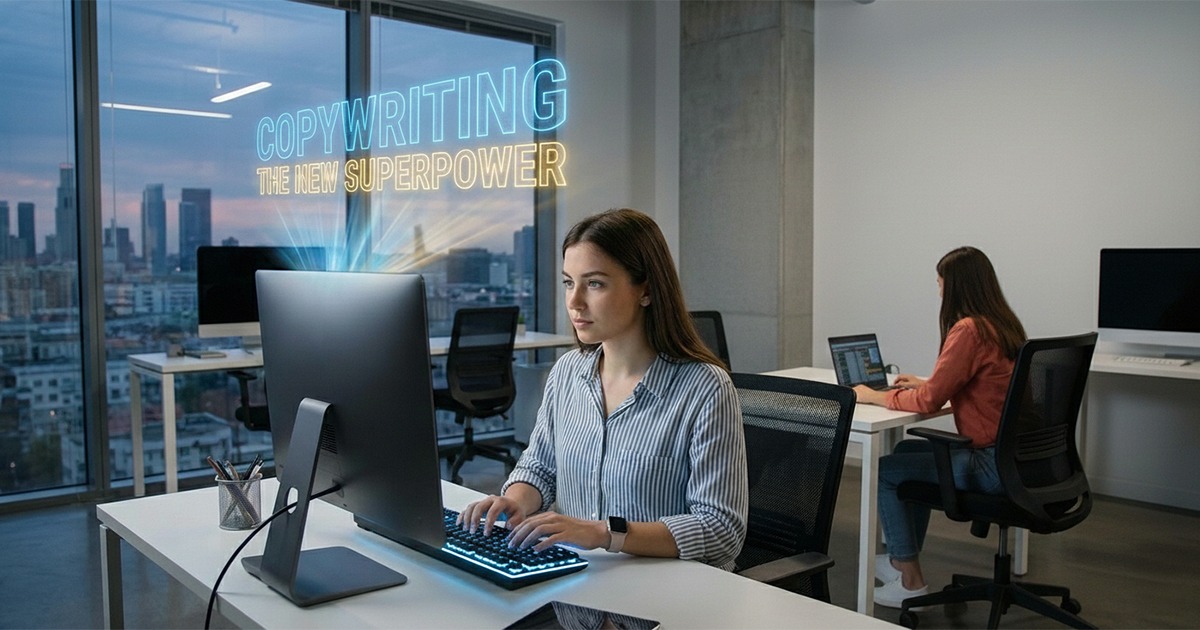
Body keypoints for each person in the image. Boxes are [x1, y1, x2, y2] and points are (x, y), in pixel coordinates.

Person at [457, 208, 748, 570]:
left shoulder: (704, 389)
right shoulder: (567, 373)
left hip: (675, 590)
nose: (574, 302)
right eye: (568, 282)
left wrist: (604, 533)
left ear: (645, 290)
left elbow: (720, 529)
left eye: (594, 283)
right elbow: (541, 467)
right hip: (584, 578)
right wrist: (517, 501)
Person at [852, 246, 1027, 608]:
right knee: (904, 452)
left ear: (956, 285)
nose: (938, 291)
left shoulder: (968, 330)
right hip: (1017, 459)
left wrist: (872, 396)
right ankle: (904, 557)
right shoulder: (1003, 326)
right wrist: (927, 381)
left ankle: (909, 577)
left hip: (988, 464)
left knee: (885, 471)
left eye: (939, 283)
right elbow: (980, 384)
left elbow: (928, 403)